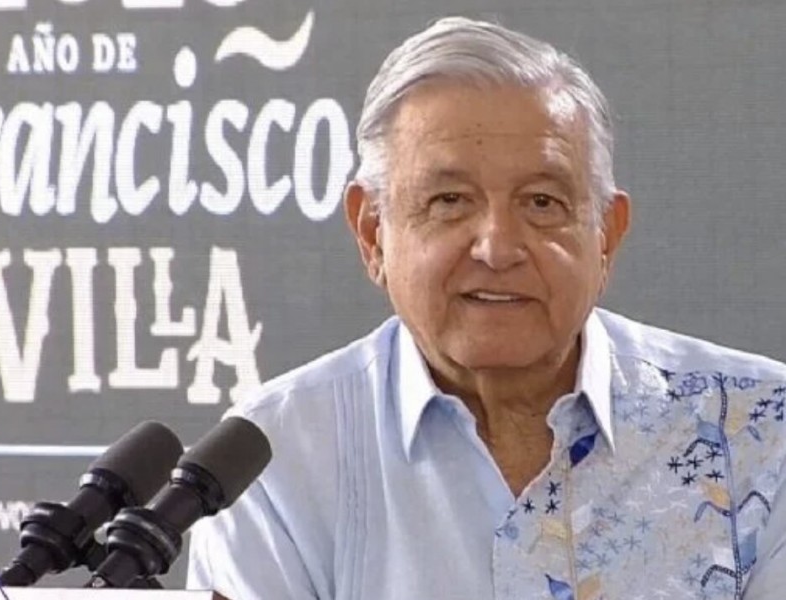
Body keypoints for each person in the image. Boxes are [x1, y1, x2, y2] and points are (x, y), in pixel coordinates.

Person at [187, 16, 786, 600]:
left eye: (542, 203)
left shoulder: (761, 431)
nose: (498, 248)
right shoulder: (274, 459)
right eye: (450, 201)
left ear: (606, 235)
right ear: (373, 233)